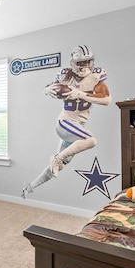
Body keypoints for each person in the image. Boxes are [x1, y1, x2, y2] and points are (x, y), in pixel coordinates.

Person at [22, 45, 111, 198]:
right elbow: (51, 86)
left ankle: (30, 187)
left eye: (88, 62)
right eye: (81, 63)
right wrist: (46, 89)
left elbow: (106, 100)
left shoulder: (95, 77)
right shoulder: (65, 75)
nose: (85, 66)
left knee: (60, 165)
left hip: (78, 126)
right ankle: (56, 159)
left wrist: (79, 94)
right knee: (90, 140)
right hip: (65, 123)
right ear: (73, 63)